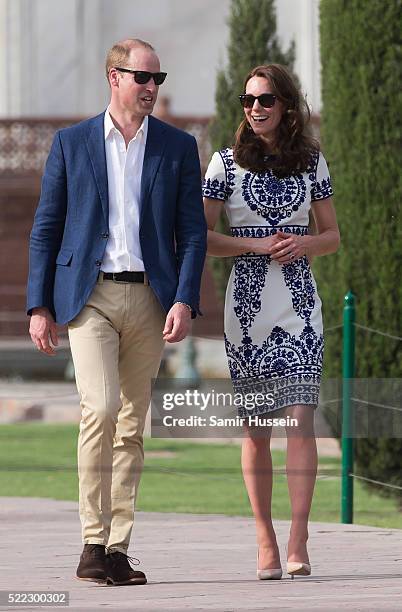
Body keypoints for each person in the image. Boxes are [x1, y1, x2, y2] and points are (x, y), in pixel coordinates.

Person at [27, 38, 207, 586]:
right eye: (142, 78)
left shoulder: (176, 148)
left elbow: (193, 232)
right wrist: (39, 305)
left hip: (151, 298)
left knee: (132, 425)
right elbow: (46, 227)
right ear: (114, 77)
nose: (152, 88)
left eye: (158, 79)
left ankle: (116, 548)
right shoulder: (72, 143)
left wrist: (184, 297)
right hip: (90, 297)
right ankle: (89, 539)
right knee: (100, 409)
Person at [203, 64, 340, 580]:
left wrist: (306, 242)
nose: (255, 108)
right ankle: (265, 541)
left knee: (300, 421)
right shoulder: (223, 165)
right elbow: (204, 238)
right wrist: (254, 244)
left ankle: (299, 535)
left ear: (285, 106)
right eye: (248, 100)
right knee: (257, 429)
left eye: (264, 99)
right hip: (248, 309)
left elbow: (332, 236)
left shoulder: (311, 162)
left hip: (300, 305)